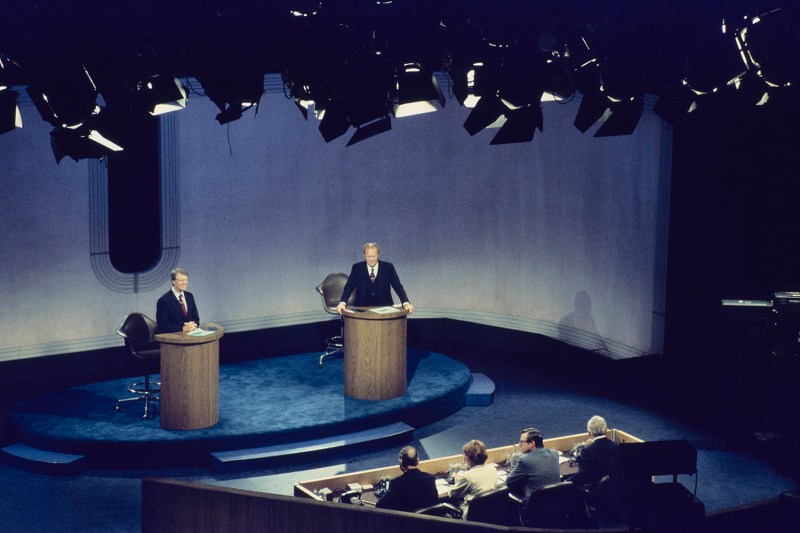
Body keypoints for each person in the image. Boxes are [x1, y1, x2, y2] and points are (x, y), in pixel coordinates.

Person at [336, 242, 413, 315]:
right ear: (364, 255)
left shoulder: (388, 267)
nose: (371, 259)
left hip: (384, 307)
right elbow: (349, 286)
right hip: (361, 308)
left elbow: (397, 286)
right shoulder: (357, 268)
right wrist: (342, 302)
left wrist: (405, 302)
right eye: (368, 256)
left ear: (378, 255)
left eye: (374, 256)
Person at [375, 446, 438, 512]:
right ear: (417, 461)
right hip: (427, 521)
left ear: (401, 462)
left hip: (407, 521)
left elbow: (380, 505)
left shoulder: (396, 483)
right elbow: (435, 501)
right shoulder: (430, 478)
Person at [505, 427, 560, 502]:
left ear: (532, 443)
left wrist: (512, 469)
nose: (519, 444)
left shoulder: (525, 460)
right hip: (556, 504)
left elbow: (509, 481)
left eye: (522, 442)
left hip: (534, 507)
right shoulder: (554, 453)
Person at [448, 439, 498, 519]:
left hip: (471, 514)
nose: (464, 458)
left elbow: (452, 494)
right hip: (490, 512)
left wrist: (457, 482)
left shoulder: (467, 476)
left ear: (470, 458)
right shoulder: (493, 469)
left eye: (465, 455)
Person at [571, 415, 620, 486]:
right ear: (606, 430)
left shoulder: (587, 451)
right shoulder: (616, 447)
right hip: (614, 488)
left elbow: (582, 476)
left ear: (589, 433)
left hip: (595, 490)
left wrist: (566, 482)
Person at [156, 268, 200, 333]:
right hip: (174, 338)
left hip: (191, 336)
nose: (185, 283)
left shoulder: (189, 296)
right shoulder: (164, 300)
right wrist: (182, 328)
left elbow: (196, 319)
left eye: (186, 280)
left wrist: (194, 325)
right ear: (173, 282)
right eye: (181, 280)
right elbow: (162, 325)